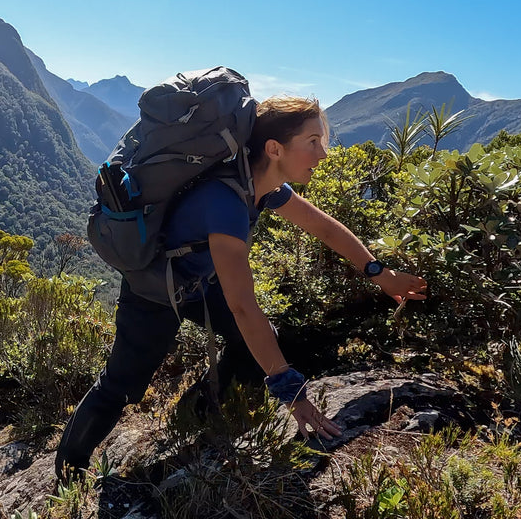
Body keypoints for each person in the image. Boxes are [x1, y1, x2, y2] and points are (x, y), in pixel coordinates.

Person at [55, 96, 428, 478]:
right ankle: (68, 471)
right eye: (313, 142)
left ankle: (199, 416)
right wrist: (291, 391)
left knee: (258, 343)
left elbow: (324, 227)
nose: (323, 154)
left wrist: (380, 273)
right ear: (274, 148)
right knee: (121, 385)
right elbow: (243, 307)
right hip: (154, 290)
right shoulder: (225, 202)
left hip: (199, 282)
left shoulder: (262, 185)